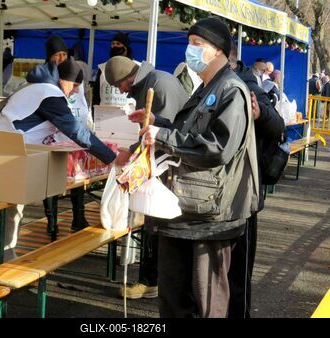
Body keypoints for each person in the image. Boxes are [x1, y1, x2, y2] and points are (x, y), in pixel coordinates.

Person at [129, 17, 259, 317]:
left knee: (207, 301)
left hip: (210, 216)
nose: (190, 51)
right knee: (174, 296)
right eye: (189, 44)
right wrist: (155, 124)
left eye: (197, 45)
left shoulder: (231, 90)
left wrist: (161, 135)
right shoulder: (207, 87)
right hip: (185, 209)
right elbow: (189, 133)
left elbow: (217, 147)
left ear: (219, 50)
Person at [0, 57, 116, 274]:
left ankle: (4, 259)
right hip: (7, 154)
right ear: (64, 80)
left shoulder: (35, 88)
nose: (76, 92)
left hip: (8, 151)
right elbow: (76, 131)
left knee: (11, 212)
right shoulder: (50, 95)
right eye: (75, 85)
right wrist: (110, 157)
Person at [104, 55, 189, 300]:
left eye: (118, 85)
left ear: (127, 79)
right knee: (152, 223)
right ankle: (153, 280)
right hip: (161, 165)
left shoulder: (158, 85)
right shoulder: (151, 82)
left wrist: (131, 152)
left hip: (168, 168)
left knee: (156, 223)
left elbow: (163, 133)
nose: (120, 91)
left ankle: (152, 281)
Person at [227, 43, 285, 318]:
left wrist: (260, 111)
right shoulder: (202, 85)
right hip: (213, 195)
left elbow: (278, 124)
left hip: (242, 195)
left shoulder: (246, 81)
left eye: (198, 45)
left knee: (238, 271)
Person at [38, 35, 92, 234]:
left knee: (78, 178)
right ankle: (52, 222)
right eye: (57, 55)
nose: (61, 58)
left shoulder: (73, 72)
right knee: (51, 182)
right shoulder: (44, 78)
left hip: (73, 136)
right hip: (51, 139)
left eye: (64, 54)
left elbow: (82, 102)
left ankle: (78, 217)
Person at [92, 32, 139, 111]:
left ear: (125, 47)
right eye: (113, 44)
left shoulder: (136, 67)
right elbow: (97, 92)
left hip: (129, 114)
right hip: (106, 113)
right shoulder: (103, 67)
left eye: (118, 44)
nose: (115, 46)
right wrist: (95, 111)